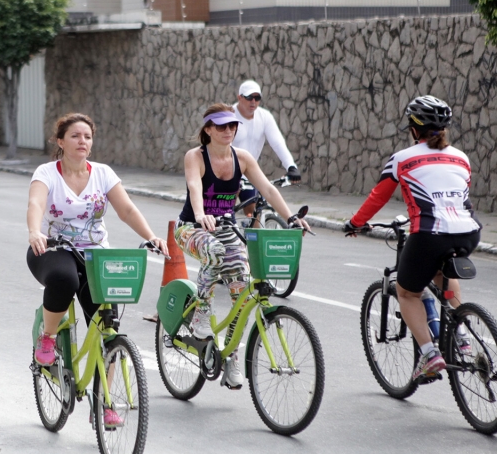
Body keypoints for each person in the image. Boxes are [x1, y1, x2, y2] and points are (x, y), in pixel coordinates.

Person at [27, 113, 169, 427]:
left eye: (87, 137)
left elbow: (127, 209)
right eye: (75, 136)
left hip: (95, 256)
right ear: (60, 141)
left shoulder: (103, 174)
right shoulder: (47, 172)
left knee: (108, 326)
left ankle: (104, 402)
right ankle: (48, 338)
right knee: (64, 279)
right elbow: (36, 203)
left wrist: (151, 237)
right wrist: (35, 231)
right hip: (51, 249)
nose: (83, 142)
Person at [344, 95, 481, 382]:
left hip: (430, 233)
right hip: (469, 232)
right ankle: (462, 333)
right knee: (444, 270)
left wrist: (355, 223)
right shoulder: (462, 157)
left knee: (407, 292)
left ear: (413, 128)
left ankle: (430, 355)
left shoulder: (402, 159)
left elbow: (377, 197)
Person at [176, 103, 310, 390]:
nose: (228, 131)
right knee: (214, 251)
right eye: (221, 126)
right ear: (208, 129)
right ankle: (201, 312)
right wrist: (200, 215)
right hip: (191, 228)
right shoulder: (196, 156)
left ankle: (232, 359)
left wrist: (291, 218)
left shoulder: (243, 157)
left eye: (232, 126)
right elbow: (194, 186)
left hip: (224, 228)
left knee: (243, 290)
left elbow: (269, 189)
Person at [233, 80, 301, 224]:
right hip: (228, 171)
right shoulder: (229, 116)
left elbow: (277, 143)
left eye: (257, 98)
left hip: (249, 171)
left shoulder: (264, 117)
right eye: (249, 97)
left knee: (254, 211)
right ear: (239, 97)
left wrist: (291, 166)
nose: (253, 102)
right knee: (226, 214)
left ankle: (254, 241)